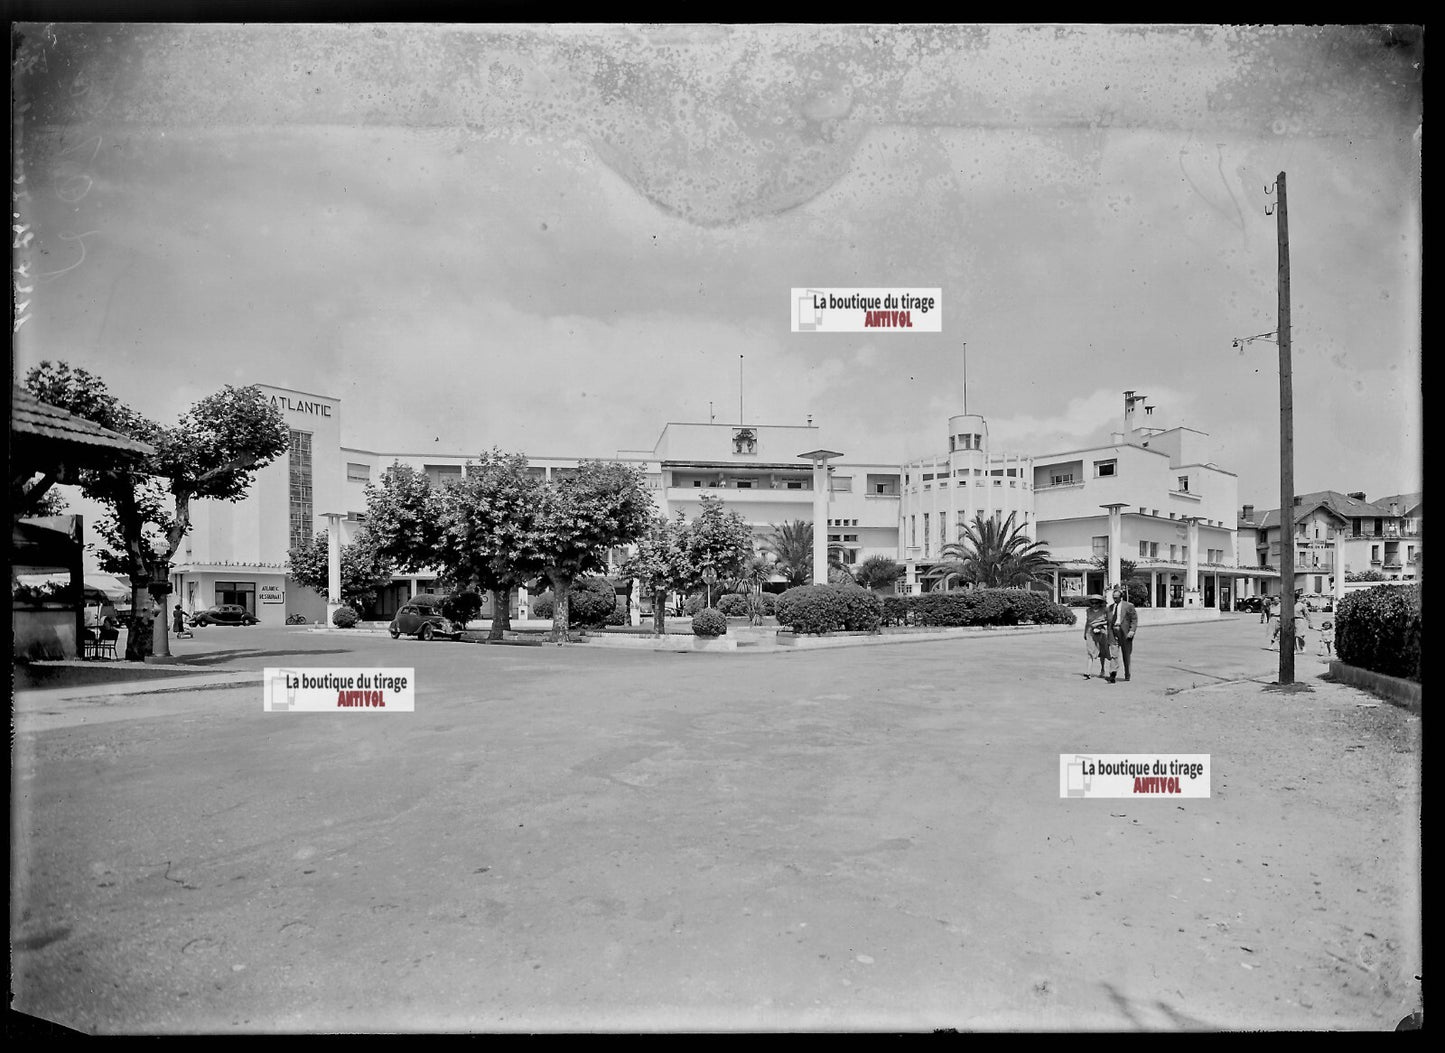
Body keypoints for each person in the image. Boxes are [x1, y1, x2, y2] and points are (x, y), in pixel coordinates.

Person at [1108, 585, 1138, 682]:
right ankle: (1113, 673)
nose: (1115, 599)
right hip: (1114, 632)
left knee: (1126, 655)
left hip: (1125, 633)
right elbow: (1108, 621)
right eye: (1113, 597)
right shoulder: (1110, 608)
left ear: (1121, 597)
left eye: (1116, 598)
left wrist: (1132, 631)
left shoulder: (1128, 606)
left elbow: (1134, 619)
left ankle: (1127, 674)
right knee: (1114, 654)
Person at [1082, 594, 1115, 680]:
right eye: (1092, 603)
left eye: (1096, 603)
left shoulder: (1105, 610)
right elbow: (1087, 622)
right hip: (1090, 632)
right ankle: (1088, 672)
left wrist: (1099, 623)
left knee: (1103, 651)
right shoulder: (1088, 610)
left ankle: (1102, 669)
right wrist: (1085, 633)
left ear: (1100, 603)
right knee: (1090, 651)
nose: (1094, 605)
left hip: (1101, 631)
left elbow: (1109, 621)